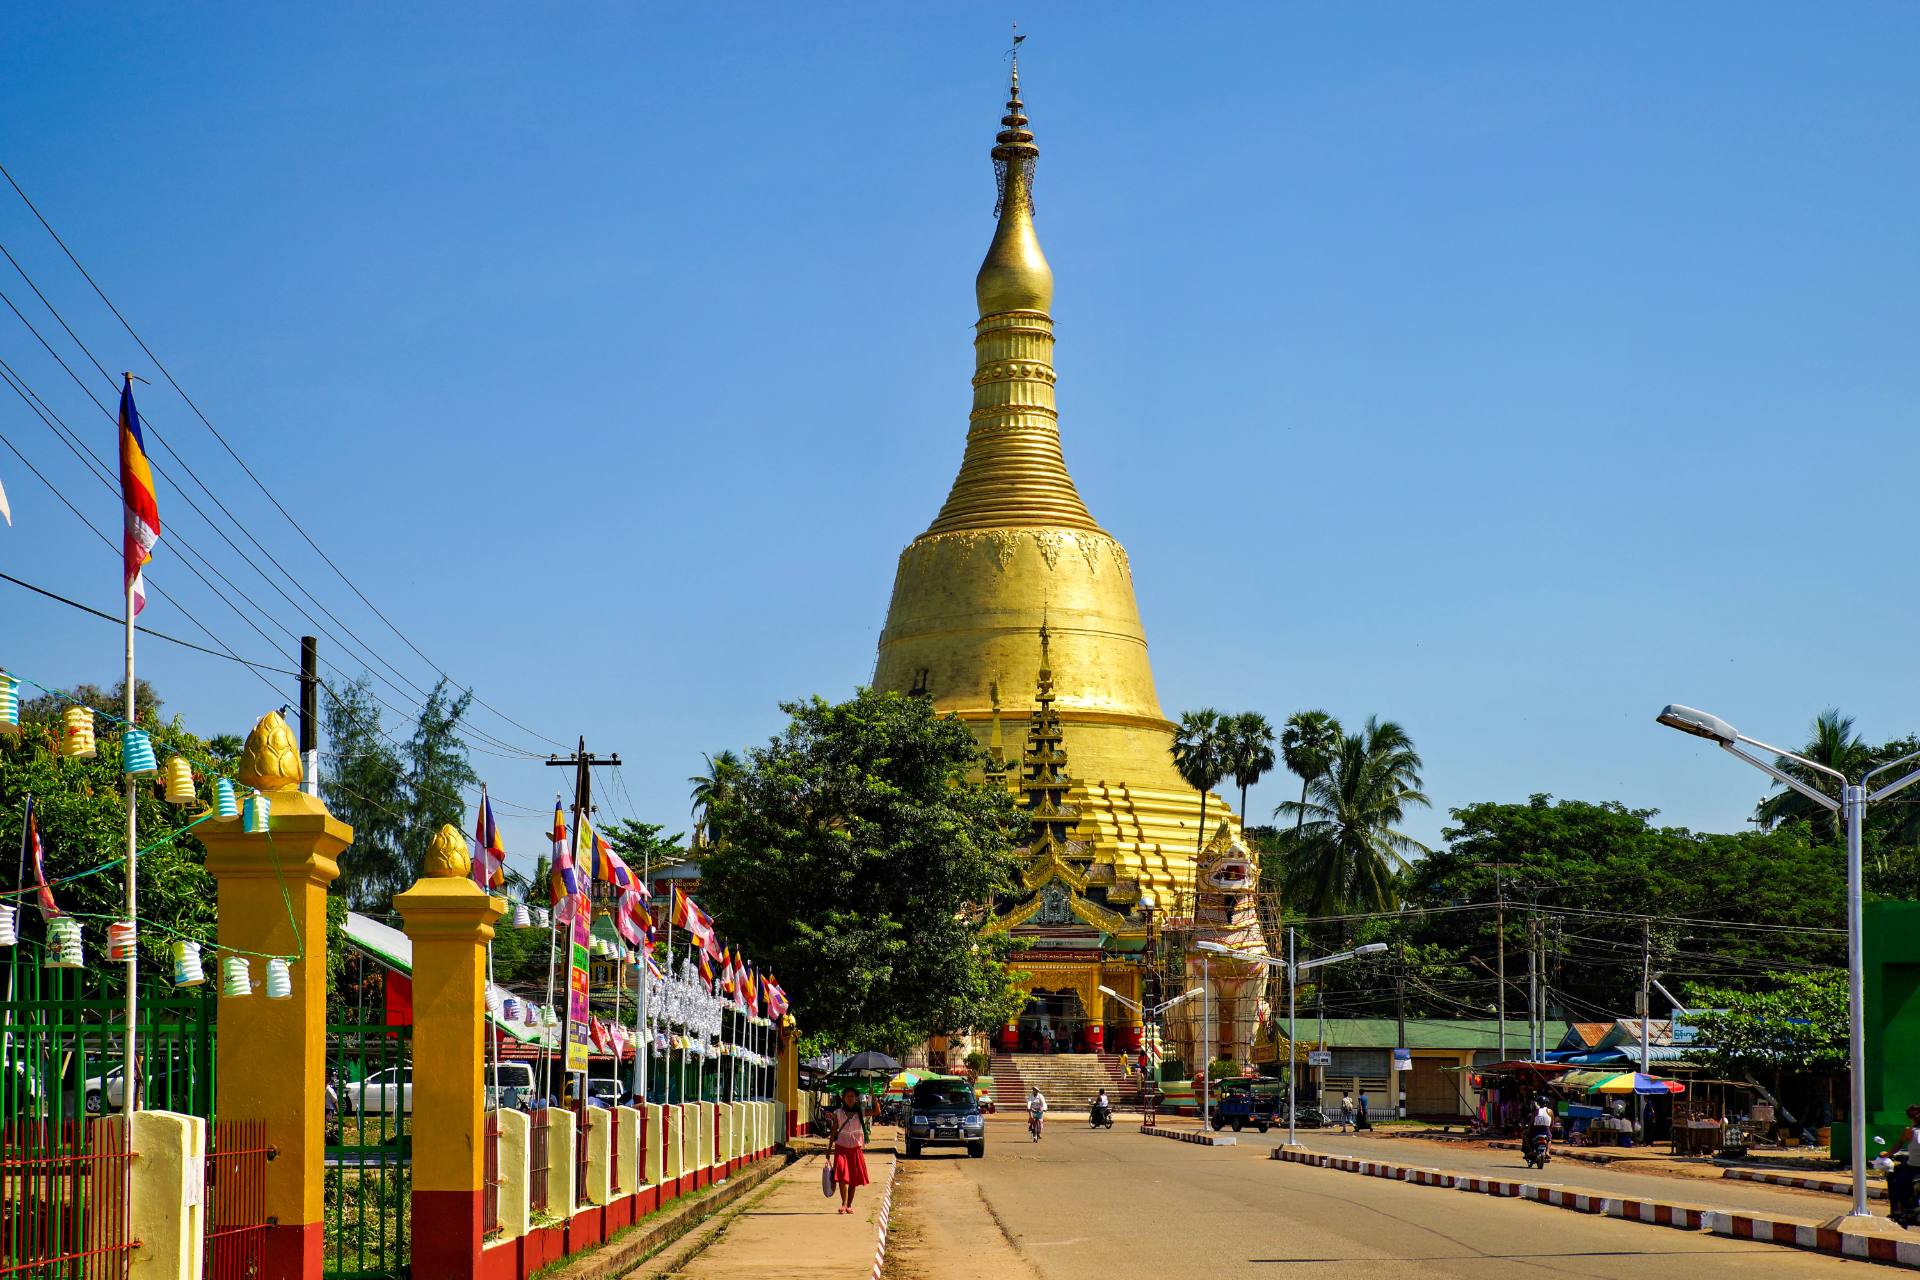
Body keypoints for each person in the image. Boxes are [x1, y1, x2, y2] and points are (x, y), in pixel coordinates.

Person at [825, 1086, 870, 1215]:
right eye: (847, 1096)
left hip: (855, 1149)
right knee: (843, 1176)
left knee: (853, 1180)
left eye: (852, 1096)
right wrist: (828, 1149)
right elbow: (834, 1130)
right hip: (841, 1148)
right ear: (843, 1098)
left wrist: (874, 1097)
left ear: (856, 1098)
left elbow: (876, 1112)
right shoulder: (838, 1113)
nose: (850, 1098)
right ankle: (843, 1204)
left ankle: (849, 1205)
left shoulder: (860, 1112)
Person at [1888, 1104, 1920, 1224]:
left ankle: (1898, 1211)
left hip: (1914, 1168)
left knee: (1896, 1182)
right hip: (1913, 1167)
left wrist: (1886, 1155)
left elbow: (1898, 1145)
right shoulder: (1911, 1131)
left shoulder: (1910, 1131)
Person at [1527, 1097, 1554, 1162]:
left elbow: (1531, 1122)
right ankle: (1547, 1152)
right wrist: (1550, 1130)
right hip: (1546, 1129)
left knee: (1527, 1136)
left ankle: (1531, 1151)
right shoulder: (1550, 1111)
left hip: (1536, 1129)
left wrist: (1529, 1129)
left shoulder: (1536, 1111)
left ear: (1538, 1103)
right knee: (1549, 1139)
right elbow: (1552, 1123)